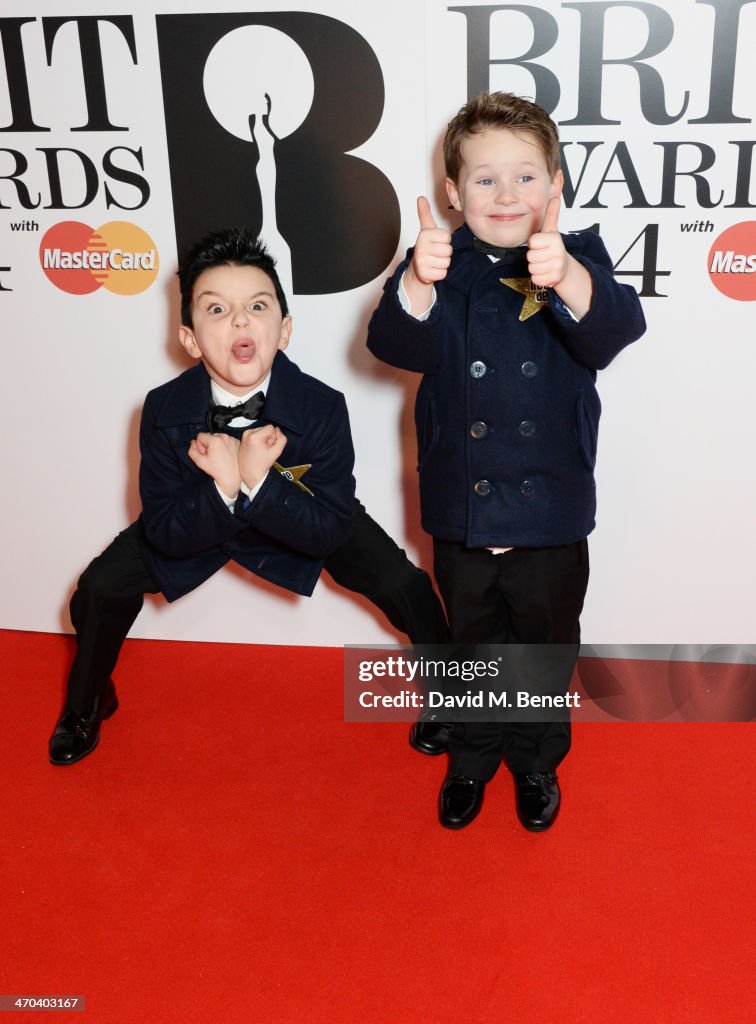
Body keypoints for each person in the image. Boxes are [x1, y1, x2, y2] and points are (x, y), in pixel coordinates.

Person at [50, 227, 447, 766]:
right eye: (216, 310)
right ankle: (88, 699)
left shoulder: (321, 407)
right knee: (97, 589)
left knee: (405, 583)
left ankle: (453, 693)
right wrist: (224, 486)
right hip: (197, 518)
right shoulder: (164, 409)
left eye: (256, 306)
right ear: (189, 337)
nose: (239, 321)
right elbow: (164, 528)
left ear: (283, 329)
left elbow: (330, 528)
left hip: (299, 513)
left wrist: (259, 483)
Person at [367, 92, 646, 830]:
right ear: (454, 193)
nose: (506, 194)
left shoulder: (576, 255)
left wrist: (570, 279)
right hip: (464, 505)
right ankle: (472, 757)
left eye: (526, 176)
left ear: (556, 185)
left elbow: (614, 333)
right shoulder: (437, 261)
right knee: (473, 642)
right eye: (484, 179)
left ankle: (533, 759)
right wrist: (417, 283)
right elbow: (394, 346)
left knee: (545, 647)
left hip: (551, 510)